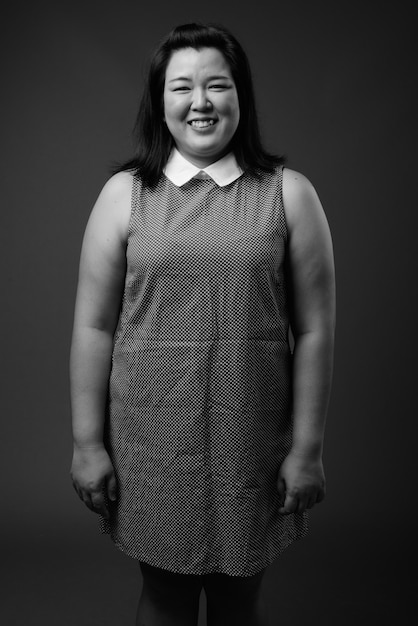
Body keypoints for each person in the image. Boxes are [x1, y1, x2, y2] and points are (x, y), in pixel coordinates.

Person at [69, 21, 336, 626]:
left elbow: (316, 330)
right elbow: (92, 327)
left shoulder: (289, 195)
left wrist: (309, 449)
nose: (201, 103)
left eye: (217, 85)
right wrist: (87, 444)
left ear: (240, 95)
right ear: (159, 102)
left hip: (254, 441)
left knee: (239, 597)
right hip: (149, 438)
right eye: (181, 87)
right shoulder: (124, 194)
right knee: (163, 595)